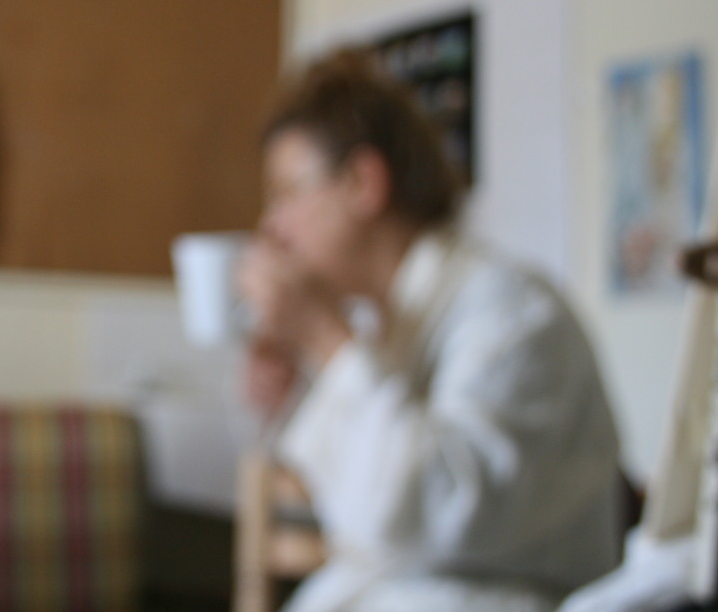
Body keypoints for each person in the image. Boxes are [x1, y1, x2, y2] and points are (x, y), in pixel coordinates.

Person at [238, 49, 623, 612]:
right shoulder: (394, 326)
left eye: (288, 192)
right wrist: (294, 388)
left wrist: (327, 340)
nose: (271, 227)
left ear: (361, 183)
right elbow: (360, 513)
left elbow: (429, 514)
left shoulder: (514, 312)